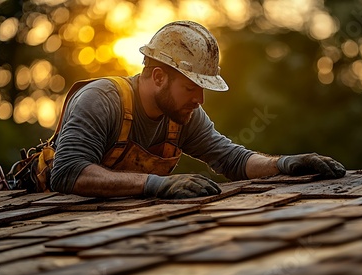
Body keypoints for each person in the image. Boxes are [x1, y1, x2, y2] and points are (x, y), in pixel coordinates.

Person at [50, 20, 346, 199]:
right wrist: (156, 184)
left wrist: (284, 164)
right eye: (191, 87)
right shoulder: (101, 100)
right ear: (158, 77)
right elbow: (68, 173)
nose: (200, 99)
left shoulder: (183, 115)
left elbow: (232, 160)